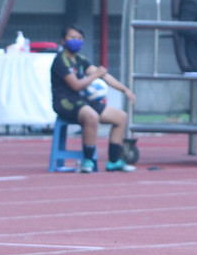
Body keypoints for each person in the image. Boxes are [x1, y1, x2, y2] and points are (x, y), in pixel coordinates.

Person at [50, 26, 136, 173]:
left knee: (121, 117)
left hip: (84, 101)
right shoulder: (60, 61)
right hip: (65, 102)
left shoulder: (81, 60)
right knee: (91, 116)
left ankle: (114, 161)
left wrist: (124, 89)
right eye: (72, 38)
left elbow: (105, 76)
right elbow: (76, 85)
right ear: (63, 41)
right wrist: (95, 75)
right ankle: (88, 160)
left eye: (79, 38)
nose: (76, 41)